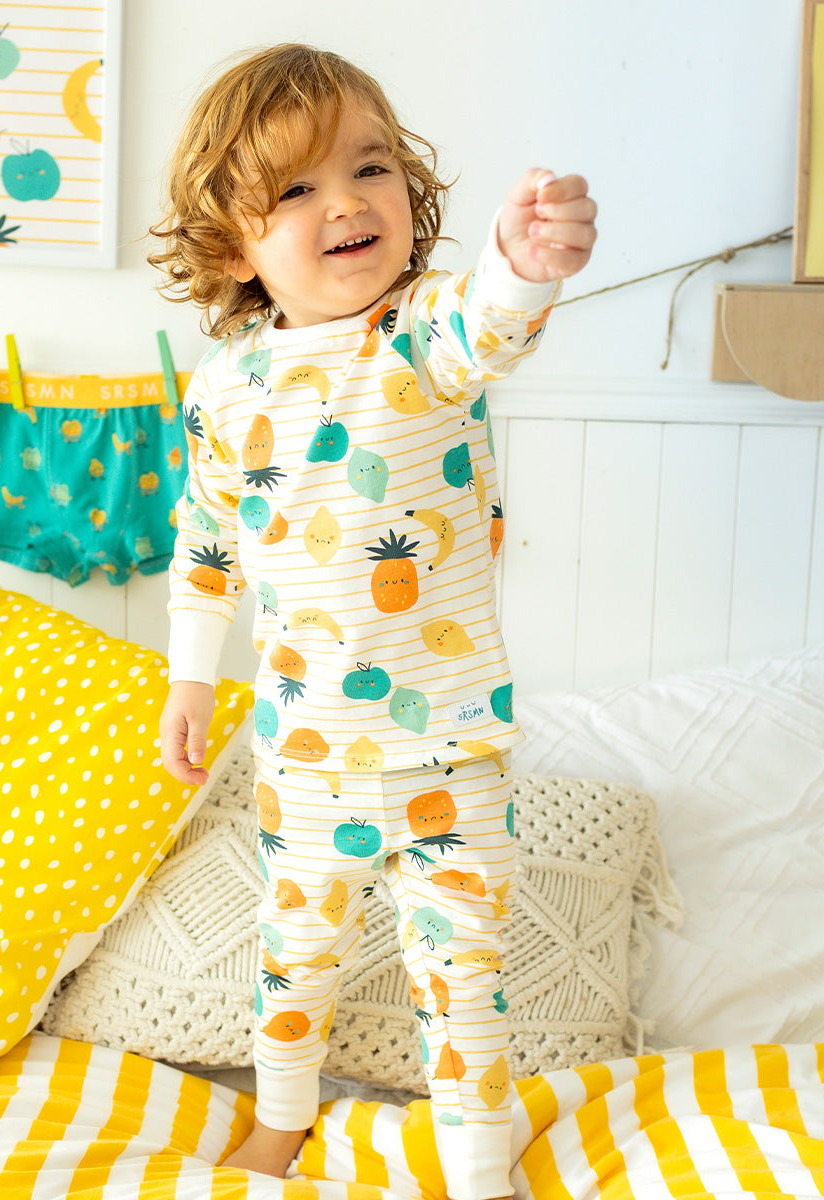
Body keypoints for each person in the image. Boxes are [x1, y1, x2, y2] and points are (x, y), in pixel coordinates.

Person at [151, 42, 596, 1200]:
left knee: (464, 977)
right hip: (305, 753)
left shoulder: (423, 341)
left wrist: (525, 264)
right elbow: (209, 541)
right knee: (293, 961)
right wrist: (191, 678)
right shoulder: (224, 388)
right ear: (234, 243)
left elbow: (493, 324)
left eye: (371, 168)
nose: (344, 203)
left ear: (410, 192)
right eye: (294, 189)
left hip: (454, 749)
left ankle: (476, 1166)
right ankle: (283, 1117)